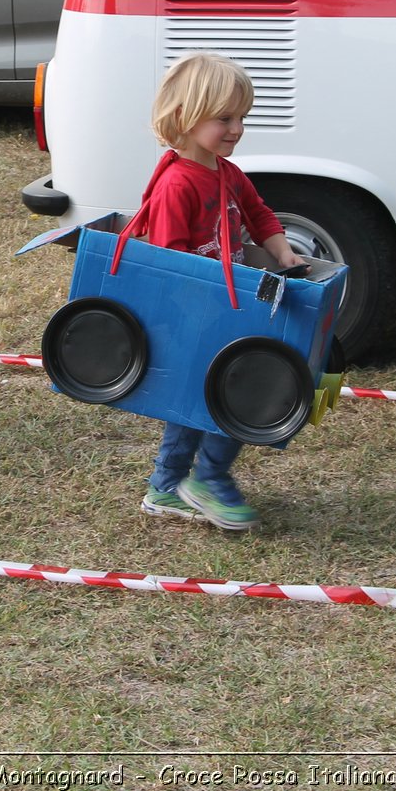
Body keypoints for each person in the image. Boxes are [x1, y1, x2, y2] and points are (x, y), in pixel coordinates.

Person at [122, 53, 304, 531]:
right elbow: (168, 261)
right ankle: (209, 477)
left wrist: (283, 254)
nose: (237, 128)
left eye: (242, 117)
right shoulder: (177, 184)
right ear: (185, 116)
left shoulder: (227, 173)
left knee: (196, 399)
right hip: (196, 314)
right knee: (236, 394)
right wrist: (193, 316)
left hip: (224, 307)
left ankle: (165, 487)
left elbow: (259, 214)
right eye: (224, 118)